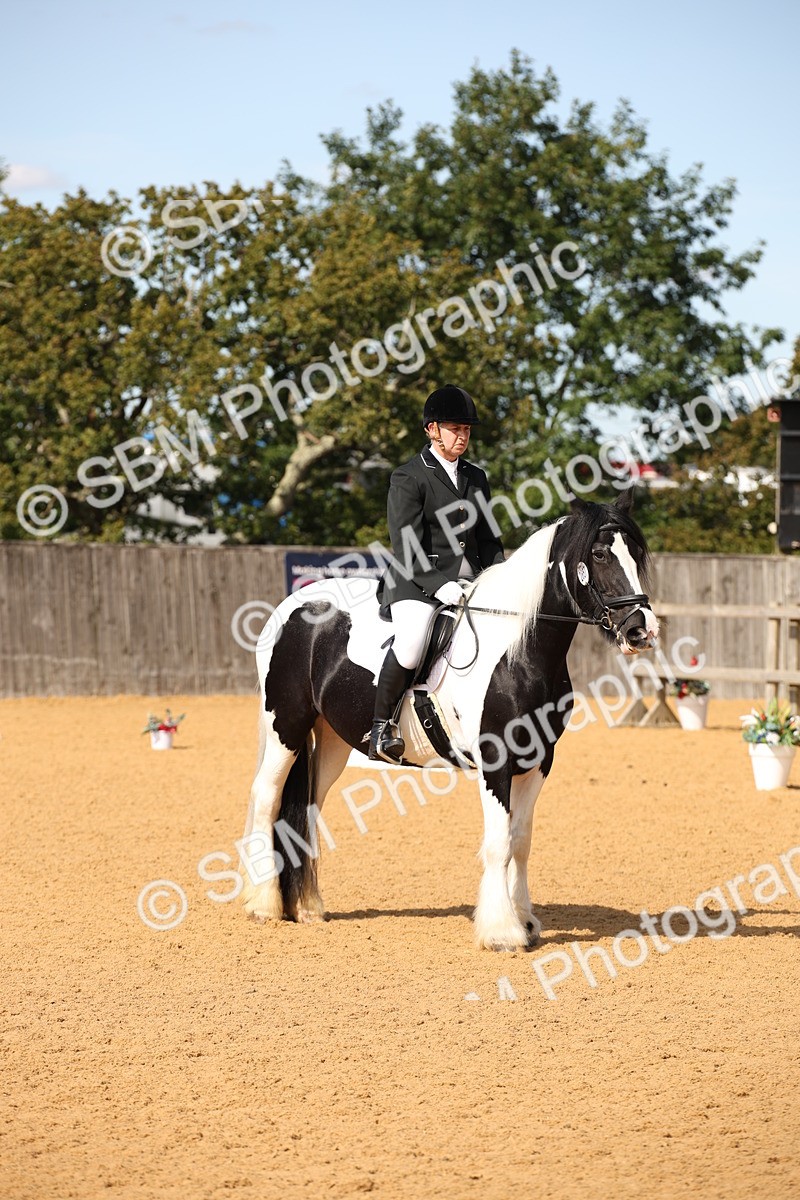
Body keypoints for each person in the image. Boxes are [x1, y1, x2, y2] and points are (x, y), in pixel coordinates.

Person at [369, 384, 506, 762]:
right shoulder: (409, 476)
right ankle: (382, 728)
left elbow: (489, 539)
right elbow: (406, 544)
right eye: (454, 429)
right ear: (432, 430)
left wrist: (500, 578)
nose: (462, 436)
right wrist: (439, 585)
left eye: (466, 430)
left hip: (471, 583)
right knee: (412, 643)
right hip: (417, 582)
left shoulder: (476, 477)